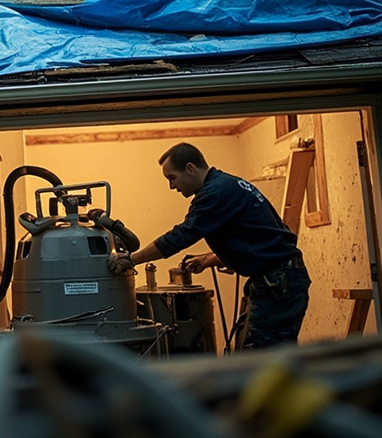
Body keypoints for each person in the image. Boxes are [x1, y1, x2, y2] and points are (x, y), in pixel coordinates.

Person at [108, 142, 311, 349]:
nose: (171, 186)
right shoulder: (229, 184)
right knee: (254, 351)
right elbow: (257, 239)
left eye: (172, 178)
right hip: (277, 278)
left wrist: (132, 259)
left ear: (190, 168)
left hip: (278, 281)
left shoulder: (215, 193)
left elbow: (181, 235)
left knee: (265, 356)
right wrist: (209, 259)